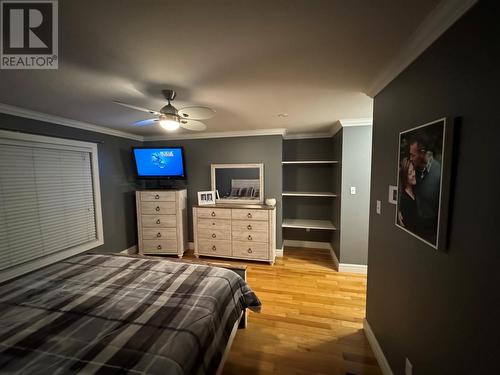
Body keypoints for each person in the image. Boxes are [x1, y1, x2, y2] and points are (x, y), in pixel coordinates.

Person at [409, 135, 441, 244]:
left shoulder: (439, 173)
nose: (411, 158)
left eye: (413, 155)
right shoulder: (415, 171)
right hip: (416, 232)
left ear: (422, 153)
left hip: (431, 236)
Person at [398, 158, 421, 234]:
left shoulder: (416, 188)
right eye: (410, 173)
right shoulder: (404, 200)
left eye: (413, 170)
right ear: (405, 177)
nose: (414, 174)